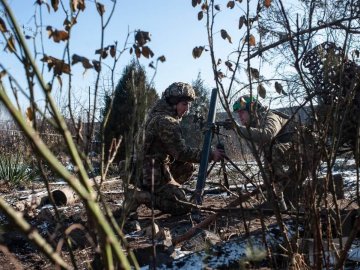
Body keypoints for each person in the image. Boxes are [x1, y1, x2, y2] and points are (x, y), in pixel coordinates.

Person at [129, 82, 225, 216]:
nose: (187, 109)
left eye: (189, 104)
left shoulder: (155, 115)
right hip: (150, 174)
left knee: (187, 167)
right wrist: (210, 155)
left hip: (144, 169)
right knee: (182, 207)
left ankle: (164, 191)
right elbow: (181, 152)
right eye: (184, 104)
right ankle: (142, 196)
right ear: (173, 103)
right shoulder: (166, 121)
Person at [229, 95, 305, 211]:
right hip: (294, 155)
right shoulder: (256, 122)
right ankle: (275, 201)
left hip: (305, 151)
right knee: (269, 156)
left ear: (252, 109)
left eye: (242, 112)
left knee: (273, 152)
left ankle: (281, 201)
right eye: (238, 113)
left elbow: (268, 135)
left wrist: (238, 129)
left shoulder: (270, 116)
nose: (239, 116)